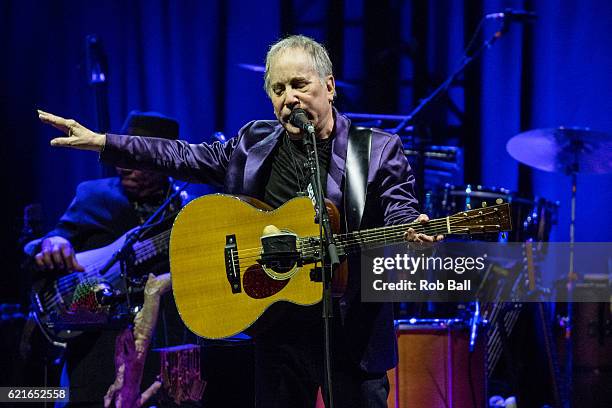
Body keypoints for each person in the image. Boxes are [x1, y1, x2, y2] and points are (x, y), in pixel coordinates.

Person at [38, 35, 441, 407]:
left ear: (330, 86)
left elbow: (398, 206)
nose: (290, 98)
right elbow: (183, 156)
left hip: (351, 335)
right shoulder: (254, 144)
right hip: (276, 329)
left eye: (300, 84)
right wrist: (105, 142)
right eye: (278, 89)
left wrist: (412, 226)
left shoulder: (376, 149)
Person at [26, 111, 197, 407]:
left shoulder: (185, 211)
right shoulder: (94, 195)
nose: (125, 168)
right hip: (98, 344)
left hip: (161, 344)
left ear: (164, 160)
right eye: (121, 157)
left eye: (137, 160)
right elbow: (56, 238)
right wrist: (53, 242)